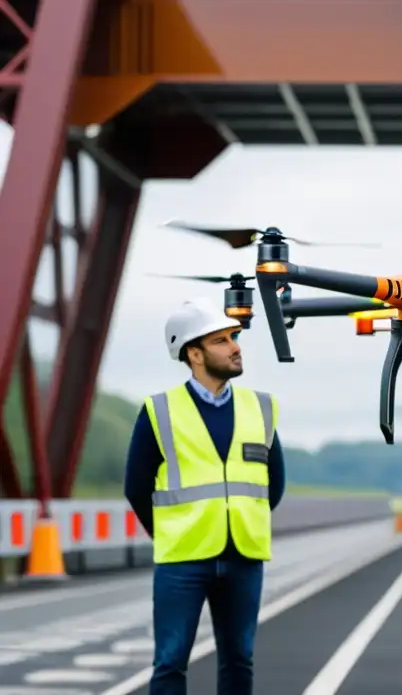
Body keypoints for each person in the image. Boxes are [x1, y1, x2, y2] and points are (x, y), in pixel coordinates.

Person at [123, 296, 286, 695]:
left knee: (238, 659)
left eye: (234, 337)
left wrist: (243, 520)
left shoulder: (260, 408)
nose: (235, 346)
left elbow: (273, 484)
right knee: (171, 662)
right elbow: (136, 487)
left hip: (244, 556)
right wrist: (173, 531)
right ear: (194, 354)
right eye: (222, 340)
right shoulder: (160, 411)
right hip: (183, 559)